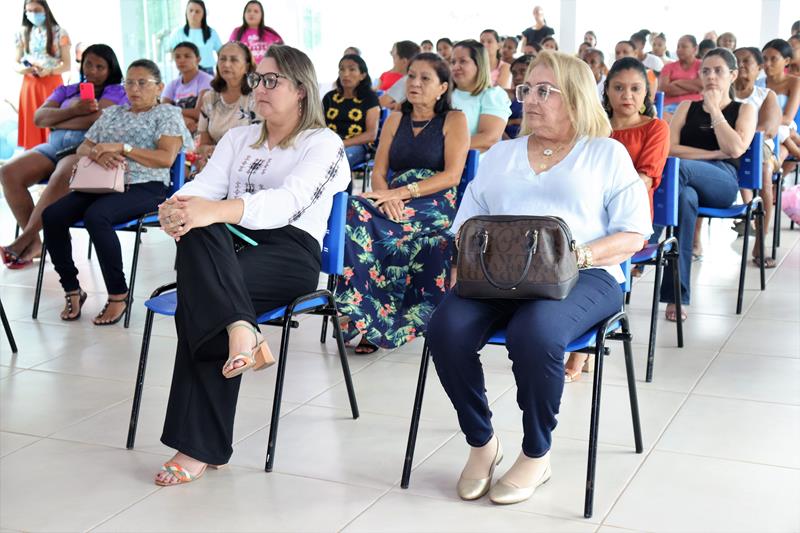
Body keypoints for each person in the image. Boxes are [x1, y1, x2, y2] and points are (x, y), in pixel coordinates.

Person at [426, 50, 651, 505]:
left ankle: (535, 453)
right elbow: (465, 224)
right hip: (497, 273)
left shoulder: (605, 153)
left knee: (535, 333)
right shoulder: (500, 154)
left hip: (586, 273)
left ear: (576, 97)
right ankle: (482, 443)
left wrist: (575, 256)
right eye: (526, 89)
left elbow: (634, 233)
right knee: (445, 329)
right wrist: (459, 272)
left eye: (545, 91)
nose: (530, 99)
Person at [153, 45, 350, 486]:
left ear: (301, 90)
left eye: (271, 80)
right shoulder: (239, 138)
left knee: (204, 293)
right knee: (198, 229)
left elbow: (288, 202)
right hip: (229, 247)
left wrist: (212, 211)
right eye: (258, 79)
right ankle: (241, 329)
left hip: (290, 252)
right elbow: (204, 187)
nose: (260, 87)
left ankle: (199, 445)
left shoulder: (324, 144)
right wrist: (176, 206)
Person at [334, 53, 469, 354]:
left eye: (425, 78)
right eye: (411, 76)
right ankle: (364, 315)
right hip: (393, 197)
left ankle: (365, 322)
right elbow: (379, 171)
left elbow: (452, 175)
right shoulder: (396, 118)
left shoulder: (454, 119)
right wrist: (385, 198)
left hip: (434, 200)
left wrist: (402, 194)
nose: (415, 83)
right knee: (352, 208)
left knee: (380, 231)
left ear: (442, 88)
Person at [40, 59, 192, 325]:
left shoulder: (167, 114)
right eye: (129, 83)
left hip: (146, 185)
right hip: (103, 183)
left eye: (142, 83)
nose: (134, 88)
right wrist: (99, 154)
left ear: (159, 87)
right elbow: (83, 148)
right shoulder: (112, 113)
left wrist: (122, 148)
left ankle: (118, 295)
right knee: (52, 215)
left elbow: (165, 158)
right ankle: (72, 289)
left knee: (97, 216)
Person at [564, 56, 670, 382]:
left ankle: (579, 352)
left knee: (589, 249)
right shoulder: (593, 128)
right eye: (619, 88)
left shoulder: (655, 128)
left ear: (646, 93)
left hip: (629, 219)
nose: (627, 95)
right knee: (562, 241)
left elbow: (644, 181)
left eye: (636, 88)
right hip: (587, 213)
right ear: (606, 91)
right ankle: (563, 332)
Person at [0, 45, 126, 269]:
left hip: (85, 150)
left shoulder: (116, 91)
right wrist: (74, 111)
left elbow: (97, 119)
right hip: (53, 147)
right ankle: (34, 243)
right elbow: (39, 118)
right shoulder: (67, 90)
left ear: (111, 69)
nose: (93, 70)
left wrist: (57, 120)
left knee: (63, 172)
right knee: (8, 172)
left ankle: (24, 239)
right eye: (88, 64)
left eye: (100, 67)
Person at [660, 48, 756, 322]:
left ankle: (647, 238)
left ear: (732, 75)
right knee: (684, 198)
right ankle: (677, 296)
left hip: (722, 182)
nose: (711, 76)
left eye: (718, 71)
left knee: (678, 169)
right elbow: (669, 149)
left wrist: (714, 109)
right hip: (687, 181)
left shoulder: (744, 109)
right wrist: (712, 153)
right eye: (706, 71)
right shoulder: (686, 107)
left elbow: (735, 148)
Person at [733, 47, 782, 268]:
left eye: (747, 61)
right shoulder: (724, 93)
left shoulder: (765, 95)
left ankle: (760, 242)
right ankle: (695, 242)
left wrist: (738, 138)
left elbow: (768, 130)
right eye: (736, 61)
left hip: (759, 149)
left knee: (763, 171)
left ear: (759, 68)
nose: (741, 65)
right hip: (727, 148)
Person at [195, 42, 260, 171]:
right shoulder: (210, 98)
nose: (226, 64)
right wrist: (208, 150)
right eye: (222, 59)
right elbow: (203, 144)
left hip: (249, 164)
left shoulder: (257, 96)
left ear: (247, 66)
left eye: (234, 60)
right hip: (218, 164)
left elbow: (262, 141)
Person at [15, 0, 70, 150]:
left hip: (52, 83)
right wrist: (24, 70)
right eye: (29, 11)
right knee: (32, 123)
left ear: (45, 10)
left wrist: (49, 71)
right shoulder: (22, 33)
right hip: (29, 85)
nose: (33, 14)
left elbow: (67, 65)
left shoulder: (60, 33)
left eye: (37, 10)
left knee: (52, 121)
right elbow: (15, 63)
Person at [322, 54, 380, 185]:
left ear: (362, 75)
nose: (345, 74)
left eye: (352, 69)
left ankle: (342, 197)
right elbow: (319, 126)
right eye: (342, 69)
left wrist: (342, 143)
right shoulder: (329, 97)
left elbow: (371, 134)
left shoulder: (370, 98)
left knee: (341, 160)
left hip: (358, 145)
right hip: (330, 143)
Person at [450, 40, 511, 152]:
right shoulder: (442, 94)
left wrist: (442, 147)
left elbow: (489, 139)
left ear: (479, 64)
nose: (455, 67)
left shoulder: (493, 95)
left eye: (463, 61)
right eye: (453, 62)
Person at [760, 39, 800, 160]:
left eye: (773, 59)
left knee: (781, 132)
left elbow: (787, 118)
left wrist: (766, 123)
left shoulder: (795, 82)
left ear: (786, 61)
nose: (767, 64)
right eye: (764, 59)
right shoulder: (757, 84)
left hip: (782, 126)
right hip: (762, 130)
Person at [162, 42, 213, 134]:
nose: (181, 60)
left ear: (198, 59)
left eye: (187, 56)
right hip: (179, 128)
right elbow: (162, 111)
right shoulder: (172, 84)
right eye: (177, 57)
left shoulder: (206, 80)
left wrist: (173, 111)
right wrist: (185, 120)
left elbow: (200, 113)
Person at [167, 0, 222, 75]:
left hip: (207, 72)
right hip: (185, 72)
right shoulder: (178, 33)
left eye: (197, 11)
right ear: (186, 13)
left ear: (203, 14)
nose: (193, 14)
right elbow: (171, 52)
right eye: (191, 10)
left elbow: (221, 51)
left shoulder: (211, 32)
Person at [659, 35, 702, 116]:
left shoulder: (702, 65)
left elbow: (702, 85)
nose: (679, 50)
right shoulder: (668, 67)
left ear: (695, 49)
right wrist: (694, 88)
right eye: (678, 47)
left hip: (695, 106)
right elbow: (664, 89)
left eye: (684, 47)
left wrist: (677, 82)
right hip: (669, 107)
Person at [229, 0, 283, 65]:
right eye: (248, 11)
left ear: (262, 15)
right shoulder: (237, 32)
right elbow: (229, 54)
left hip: (267, 70)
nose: (251, 14)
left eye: (256, 11)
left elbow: (282, 56)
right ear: (244, 14)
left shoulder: (271, 33)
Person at [504, 55, 532, 139]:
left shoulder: (544, 98)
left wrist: (513, 121)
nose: (517, 77)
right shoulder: (506, 95)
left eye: (523, 72)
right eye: (514, 73)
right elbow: (497, 127)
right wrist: (509, 143)